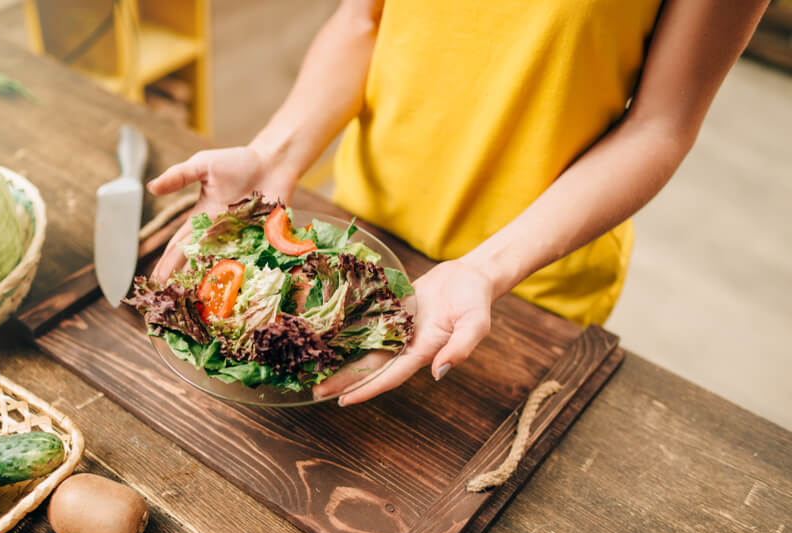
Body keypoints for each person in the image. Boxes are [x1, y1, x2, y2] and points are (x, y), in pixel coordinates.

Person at [148, 0, 768, 406]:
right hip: (363, 238)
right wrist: (273, 160)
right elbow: (365, 21)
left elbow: (660, 125)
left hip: (529, 282)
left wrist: (484, 269)